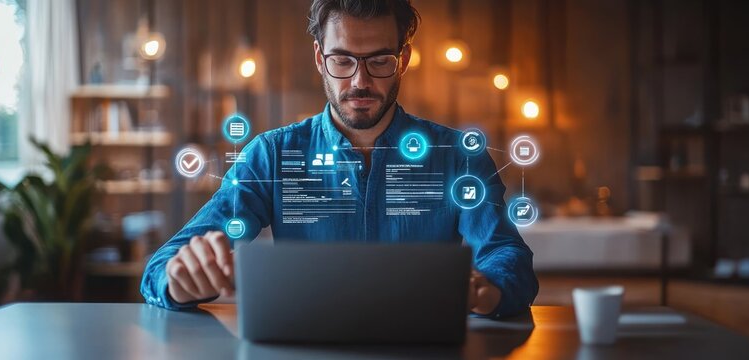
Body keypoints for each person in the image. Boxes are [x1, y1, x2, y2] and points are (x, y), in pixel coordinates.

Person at [141, 0, 538, 318]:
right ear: (319, 57)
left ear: (403, 58)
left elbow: (508, 256)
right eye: (342, 60)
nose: (360, 82)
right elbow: (160, 267)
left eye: (379, 60)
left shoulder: (459, 158)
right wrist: (178, 280)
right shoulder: (272, 156)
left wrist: (488, 290)